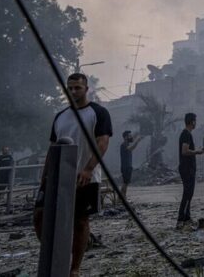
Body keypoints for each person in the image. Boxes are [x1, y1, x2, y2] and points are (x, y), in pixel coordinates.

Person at [34, 73, 112, 277]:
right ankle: (58, 251)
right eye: (70, 88)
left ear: (86, 89)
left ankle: (74, 268)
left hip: (85, 176)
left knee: (80, 221)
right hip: (57, 177)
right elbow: (53, 147)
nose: (74, 91)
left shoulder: (98, 113)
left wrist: (88, 169)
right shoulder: (60, 116)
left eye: (78, 87)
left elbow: (103, 143)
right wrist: (44, 176)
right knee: (40, 215)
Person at [177, 113, 203, 230]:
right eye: (195, 121)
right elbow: (184, 151)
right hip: (187, 168)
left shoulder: (187, 134)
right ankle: (180, 220)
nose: (196, 123)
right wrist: (197, 152)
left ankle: (187, 218)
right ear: (192, 122)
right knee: (187, 194)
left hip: (188, 168)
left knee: (189, 194)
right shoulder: (186, 134)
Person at [119, 131, 144, 199]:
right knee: (125, 183)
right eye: (129, 136)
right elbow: (131, 148)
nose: (131, 137)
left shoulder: (127, 143)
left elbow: (132, 140)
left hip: (128, 166)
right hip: (125, 167)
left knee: (126, 183)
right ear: (125, 137)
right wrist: (137, 141)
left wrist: (137, 134)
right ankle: (122, 197)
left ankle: (122, 197)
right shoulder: (124, 145)